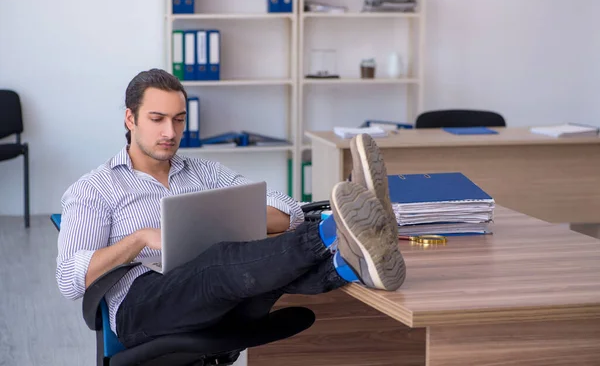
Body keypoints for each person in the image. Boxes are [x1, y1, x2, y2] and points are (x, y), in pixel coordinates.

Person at [56, 68, 406, 348]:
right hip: (143, 306)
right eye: (157, 118)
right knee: (222, 259)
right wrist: (140, 239)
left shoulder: (205, 172)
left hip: (219, 295)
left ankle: (347, 264)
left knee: (252, 260)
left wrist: (237, 222)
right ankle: (337, 230)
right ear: (130, 120)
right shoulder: (94, 189)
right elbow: (70, 279)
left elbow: (286, 208)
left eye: (179, 119)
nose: (171, 131)